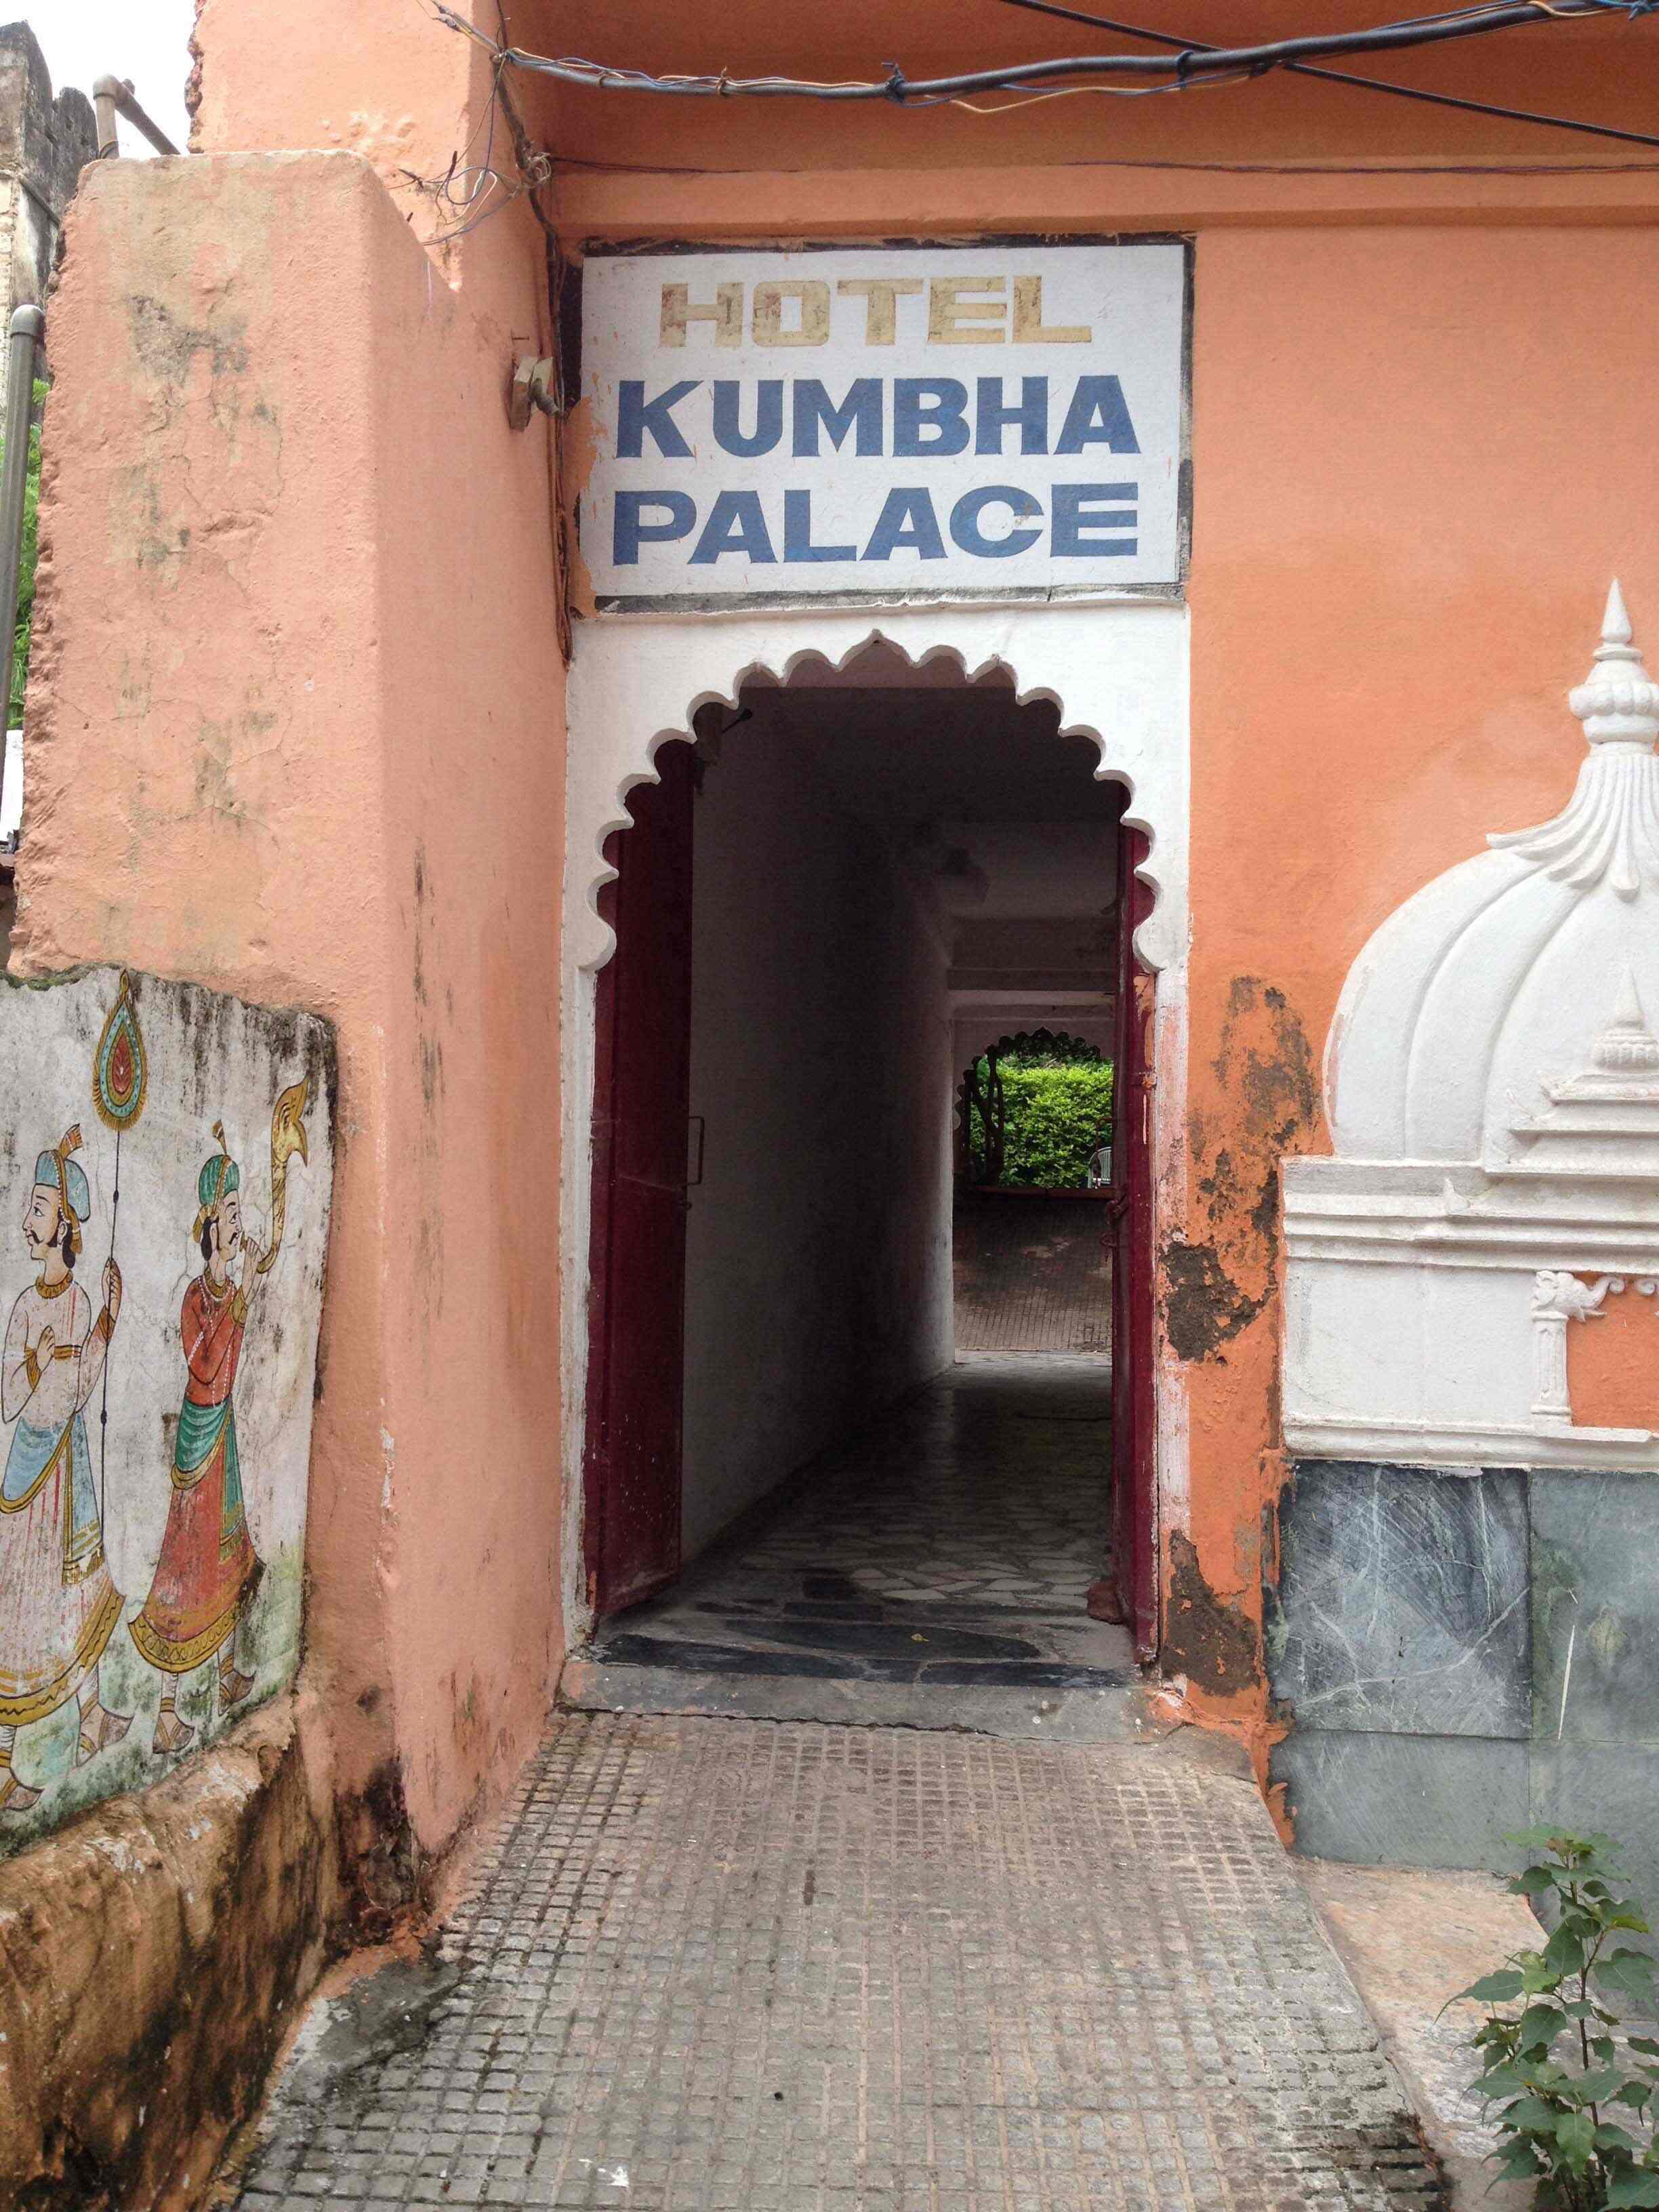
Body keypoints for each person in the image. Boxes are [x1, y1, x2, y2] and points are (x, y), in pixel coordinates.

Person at [0, 1126, 129, 1811]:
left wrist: (105, 1320)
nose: (29, 1220)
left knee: (79, 1594)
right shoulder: (26, 1307)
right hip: (26, 1474)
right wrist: (32, 1359)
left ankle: (92, 1720)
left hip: (67, 1469)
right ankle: (6, 1761)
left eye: (41, 1208)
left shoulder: (75, 1303)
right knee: (15, 1607)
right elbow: (6, 1401)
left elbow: (80, 1390)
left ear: (66, 1228)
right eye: (31, 1205)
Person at [130, 1125, 265, 1754]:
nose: (239, 1227)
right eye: (232, 1215)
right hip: (197, 1439)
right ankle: (163, 1710)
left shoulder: (233, 1290)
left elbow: (232, 1370)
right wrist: (239, 1305)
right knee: (184, 1568)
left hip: (226, 1432)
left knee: (228, 1558)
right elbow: (206, 1366)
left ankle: (224, 1680)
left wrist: (250, 1291)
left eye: (241, 1214)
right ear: (210, 1224)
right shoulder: (196, 1297)